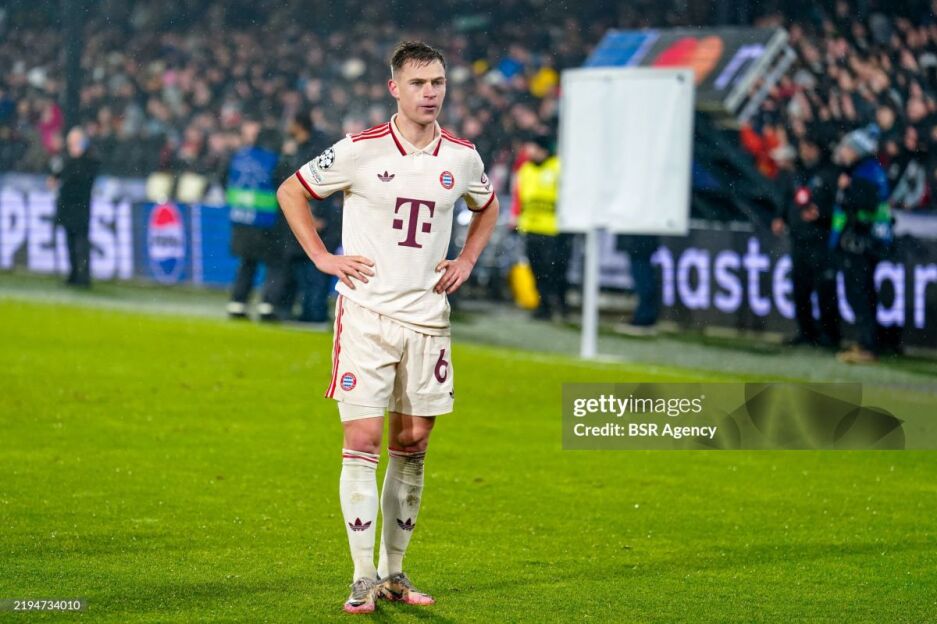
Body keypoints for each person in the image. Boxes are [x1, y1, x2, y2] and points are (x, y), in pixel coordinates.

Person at [275, 41, 498, 613]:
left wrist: (467, 259)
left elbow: (488, 206)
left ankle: (395, 574)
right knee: (363, 441)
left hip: (429, 319)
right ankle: (361, 576)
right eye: (419, 83)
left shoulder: (463, 158)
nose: (430, 92)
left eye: (438, 82)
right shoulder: (359, 149)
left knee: (413, 443)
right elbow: (291, 191)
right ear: (394, 88)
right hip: (366, 315)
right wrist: (323, 257)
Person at [829, 124, 894, 364]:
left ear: (857, 150)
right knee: (863, 293)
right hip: (867, 242)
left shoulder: (864, 173)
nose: (843, 151)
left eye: (847, 148)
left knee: (859, 294)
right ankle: (866, 343)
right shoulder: (868, 170)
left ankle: (868, 346)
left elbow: (865, 206)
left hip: (862, 243)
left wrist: (847, 190)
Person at [270, 112, 342, 323]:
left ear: (299, 125)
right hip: (309, 215)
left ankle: (314, 312)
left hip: (320, 219)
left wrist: (317, 215)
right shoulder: (302, 147)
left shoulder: (315, 149)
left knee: (313, 268)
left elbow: (320, 186)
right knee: (303, 266)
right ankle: (308, 310)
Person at [771, 136, 841, 349]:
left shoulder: (829, 175)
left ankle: (830, 335)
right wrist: (781, 216)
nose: (805, 152)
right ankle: (806, 332)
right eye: (803, 147)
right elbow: (787, 198)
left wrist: (822, 216)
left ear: (819, 149)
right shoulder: (797, 174)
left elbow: (838, 207)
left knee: (824, 289)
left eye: (809, 147)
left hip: (820, 239)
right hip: (799, 238)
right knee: (800, 289)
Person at [225, 122, 281, 320]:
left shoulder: (239, 156)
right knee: (274, 263)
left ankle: (237, 303)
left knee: (246, 262)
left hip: (240, 218)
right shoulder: (275, 159)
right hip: (267, 220)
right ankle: (267, 305)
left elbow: (224, 180)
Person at [514, 133, 569, 320]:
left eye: (534, 147)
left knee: (555, 270)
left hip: (554, 230)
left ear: (543, 150)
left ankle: (560, 304)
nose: (530, 151)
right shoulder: (525, 170)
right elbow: (519, 197)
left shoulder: (558, 167)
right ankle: (543, 305)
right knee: (537, 270)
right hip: (531, 228)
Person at [51, 127, 99, 288]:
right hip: (66, 205)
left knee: (81, 243)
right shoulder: (66, 158)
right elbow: (56, 174)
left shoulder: (89, 159)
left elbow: (84, 178)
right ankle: (73, 274)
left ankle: (83, 277)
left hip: (80, 206)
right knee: (69, 242)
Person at [614, 234, 660, 336]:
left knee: (642, 272)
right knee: (641, 270)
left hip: (640, 238)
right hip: (640, 239)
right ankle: (644, 315)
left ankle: (645, 316)